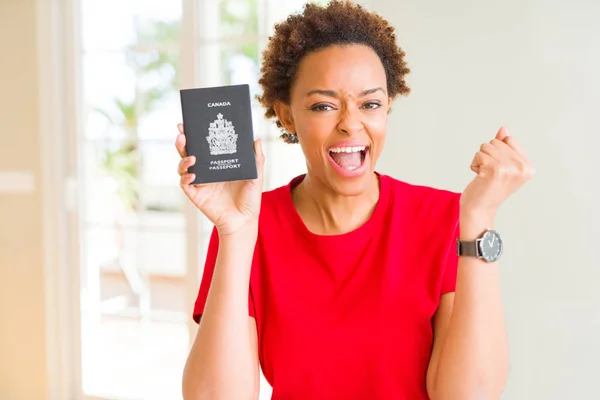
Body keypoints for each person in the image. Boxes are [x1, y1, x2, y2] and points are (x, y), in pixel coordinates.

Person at [176, 2, 534, 399]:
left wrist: (480, 218)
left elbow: (469, 396)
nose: (351, 122)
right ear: (287, 115)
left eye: (370, 104)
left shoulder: (447, 220)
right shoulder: (248, 227)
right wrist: (237, 232)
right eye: (324, 106)